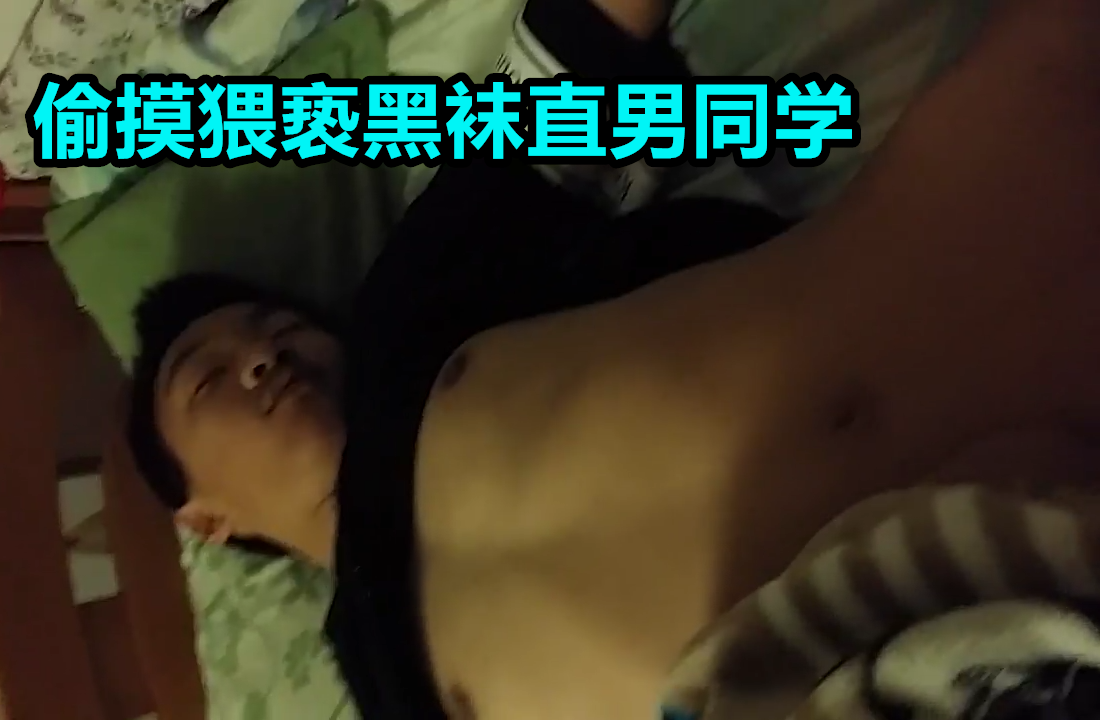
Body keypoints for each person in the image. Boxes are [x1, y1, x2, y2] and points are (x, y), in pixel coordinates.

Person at [127, 0, 1100, 717]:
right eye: (206, 377)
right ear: (205, 520)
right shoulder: (385, 688)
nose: (262, 357)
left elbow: (567, 70)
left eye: (277, 325)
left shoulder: (403, 320)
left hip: (1016, 192)